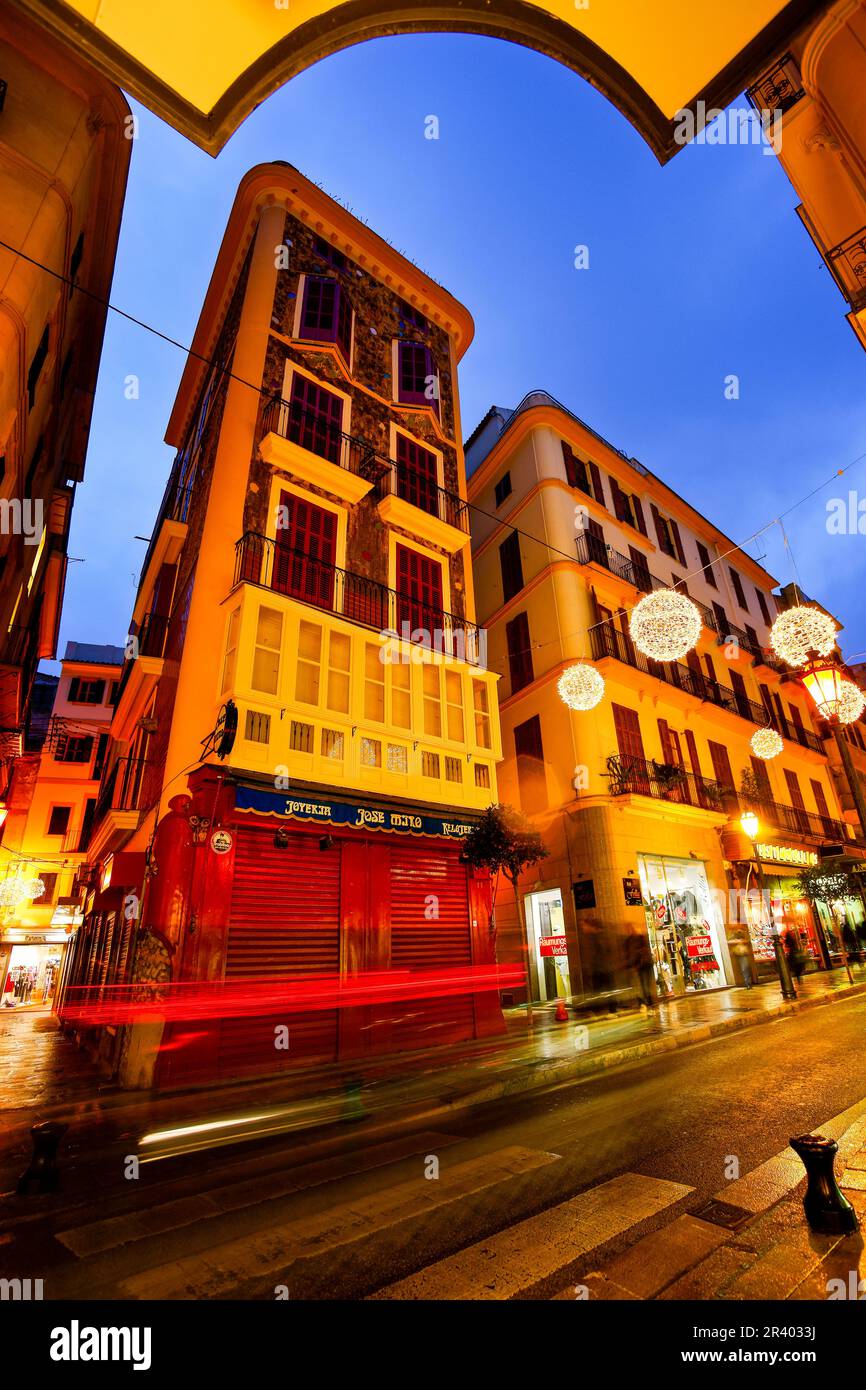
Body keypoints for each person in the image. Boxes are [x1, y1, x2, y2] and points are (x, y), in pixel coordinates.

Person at [625, 923, 657, 1011]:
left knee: (644, 984)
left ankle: (646, 1001)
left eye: (629, 928)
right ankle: (647, 1001)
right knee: (643, 984)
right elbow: (630, 954)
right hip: (641, 964)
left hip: (642, 964)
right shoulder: (631, 940)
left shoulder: (637, 939)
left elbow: (633, 953)